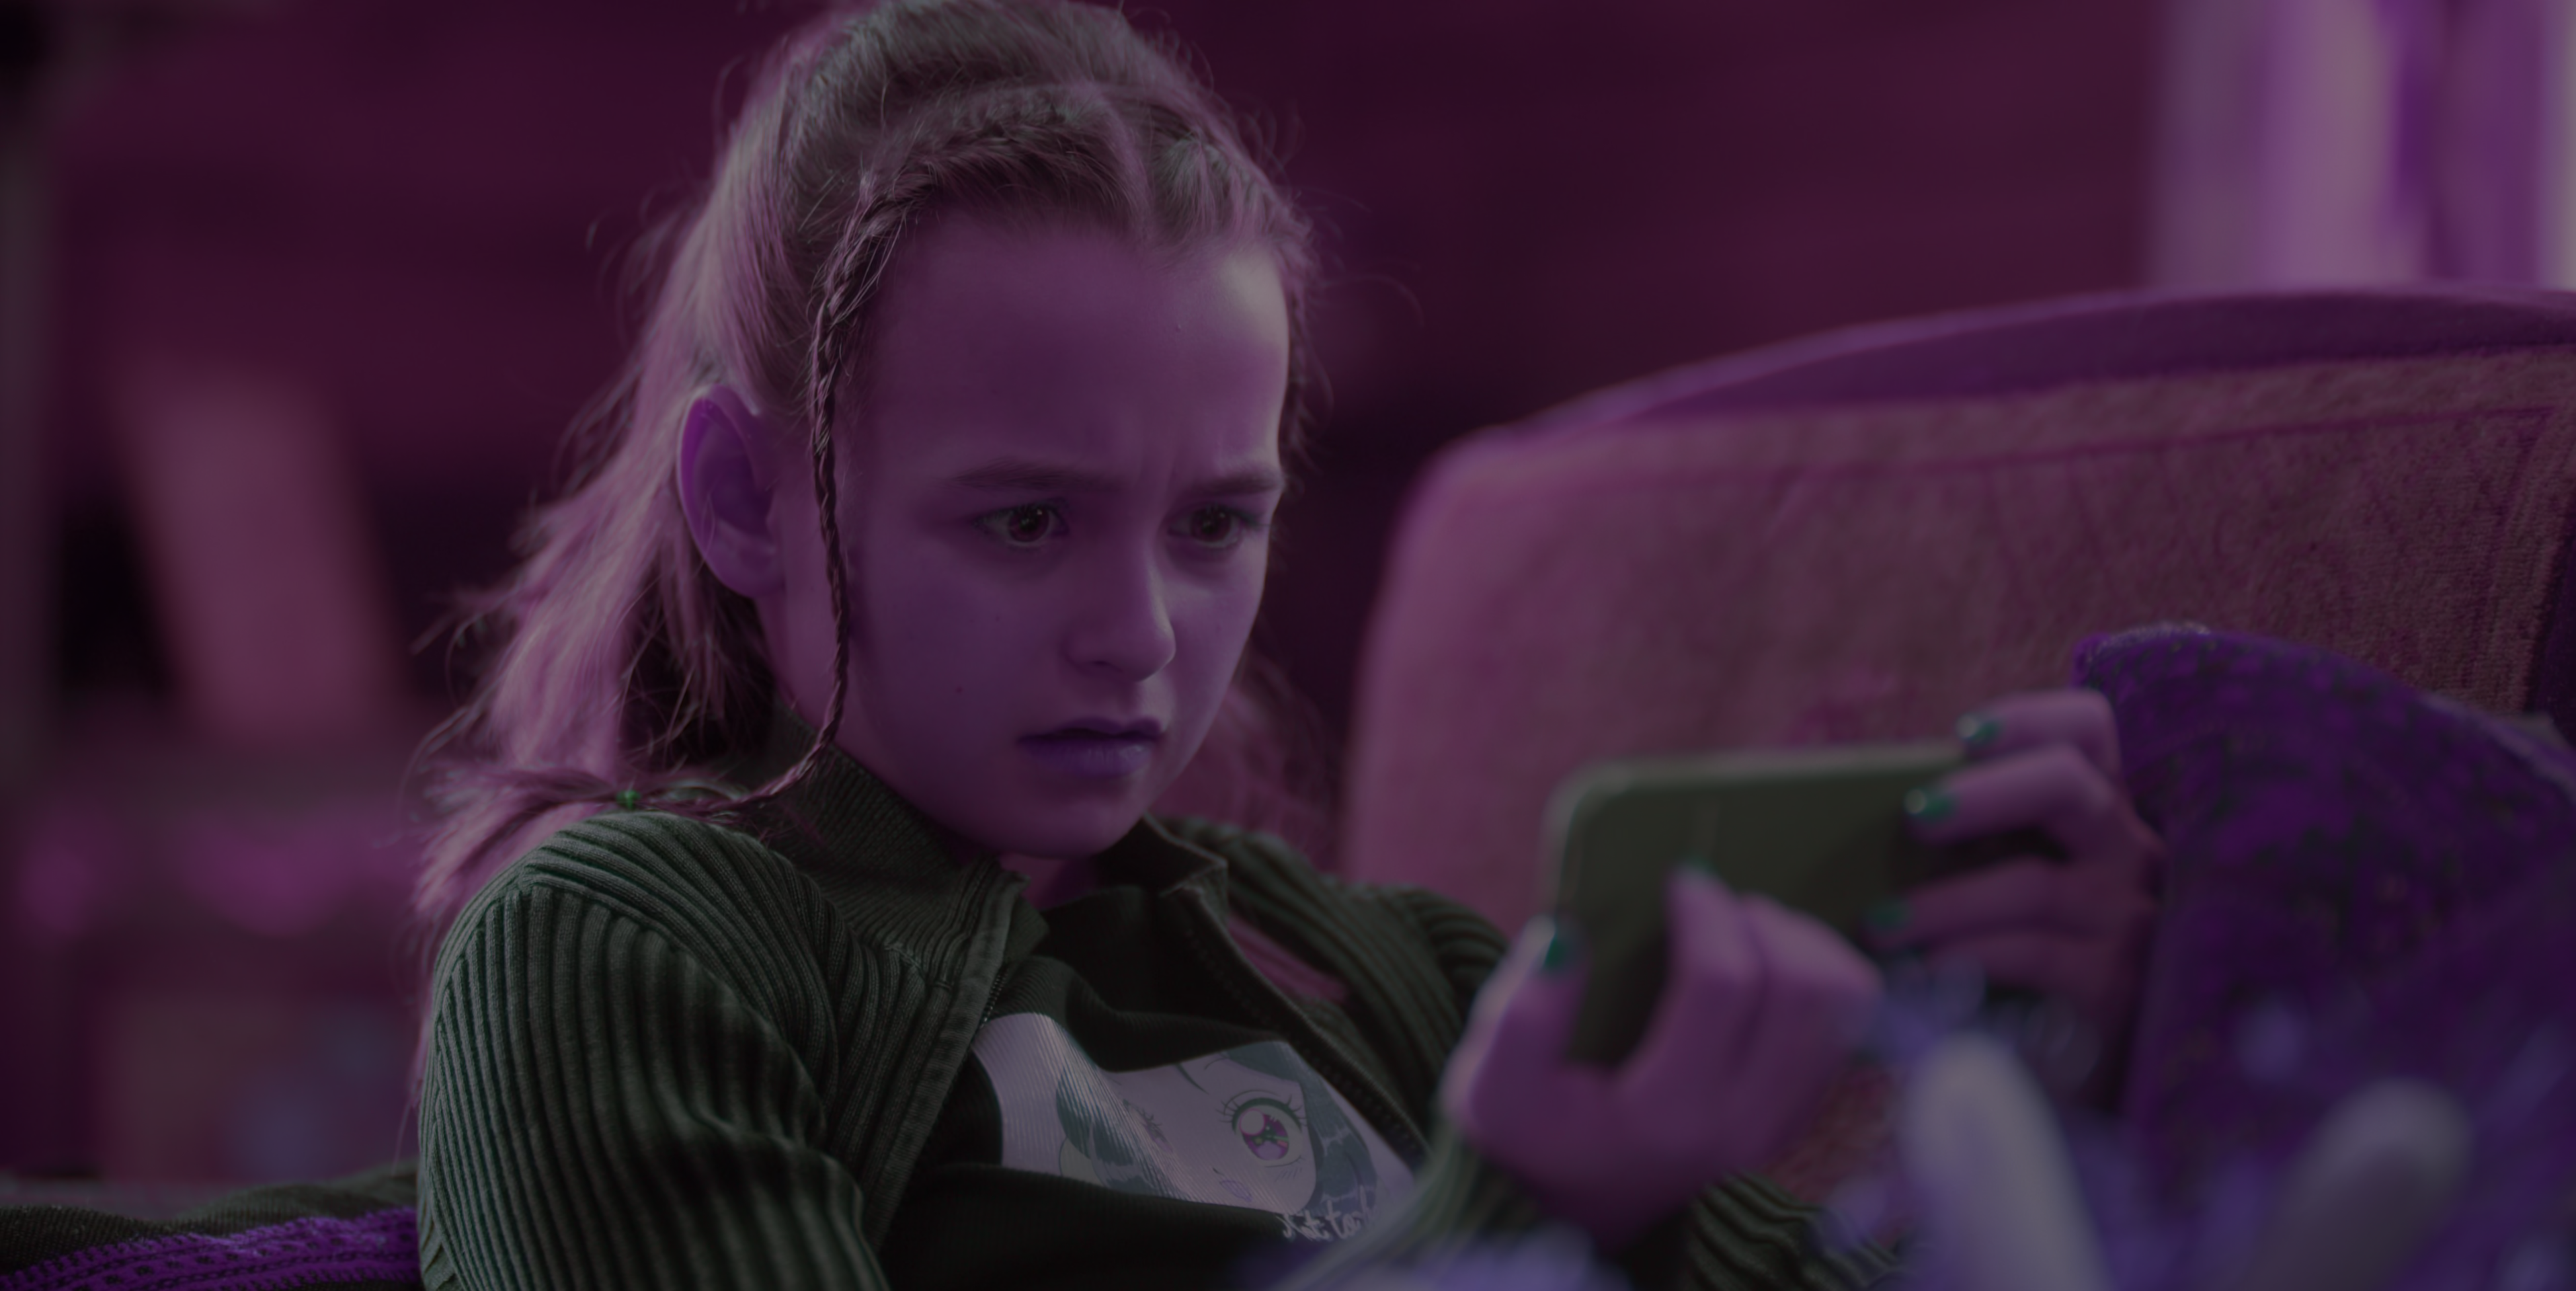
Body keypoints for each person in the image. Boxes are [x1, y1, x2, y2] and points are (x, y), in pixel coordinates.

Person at [407, 3, 2164, 1287]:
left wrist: (2061, 1080)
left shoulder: (1408, 983)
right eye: (1025, 522)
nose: (1135, 639)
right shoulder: (625, 947)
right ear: (745, 500)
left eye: (1212, 525)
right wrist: (1512, 1219)